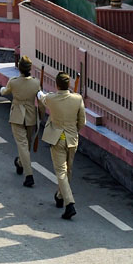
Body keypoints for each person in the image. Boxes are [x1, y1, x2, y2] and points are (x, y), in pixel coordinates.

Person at [40, 72, 85, 219]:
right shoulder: (77, 99)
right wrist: (74, 131)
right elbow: (82, 121)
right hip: (71, 137)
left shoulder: (52, 98)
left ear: (57, 85)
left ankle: (69, 202)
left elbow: (42, 98)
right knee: (68, 170)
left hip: (58, 137)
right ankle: (60, 195)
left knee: (61, 171)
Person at [3, 56, 41, 188]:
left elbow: (5, 91)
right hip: (31, 116)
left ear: (19, 68)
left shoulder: (14, 82)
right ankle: (21, 164)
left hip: (17, 115)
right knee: (26, 145)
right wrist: (40, 117)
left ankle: (28, 174)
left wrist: (3, 89)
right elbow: (41, 102)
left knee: (23, 145)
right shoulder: (36, 83)